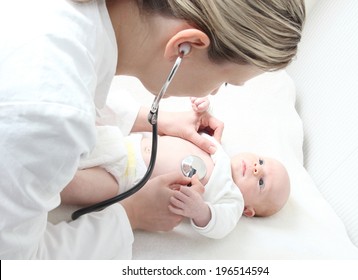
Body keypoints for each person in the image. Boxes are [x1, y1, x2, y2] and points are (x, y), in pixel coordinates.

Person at [0, 0, 305, 259]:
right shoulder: (53, 116)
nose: (213, 94)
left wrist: (155, 119)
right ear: (185, 47)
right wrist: (132, 214)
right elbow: (19, 263)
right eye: (224, 82)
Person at [61, 98, 291, 239]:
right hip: (124, 143)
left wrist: (200, 211)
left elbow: (220, 224)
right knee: (76, 135)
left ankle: (41, 185)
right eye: (260, 162)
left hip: (126, 182)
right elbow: (191, 126)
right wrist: (203, 108)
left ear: (248, 210)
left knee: (72, 185)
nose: (255, 170)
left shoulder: (231, 198)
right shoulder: (216, 147)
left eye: (261, 182)